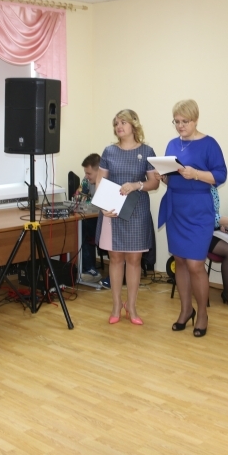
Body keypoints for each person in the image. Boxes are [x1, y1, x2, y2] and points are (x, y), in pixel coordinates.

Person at [156, 99, 227, 337]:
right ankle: (186, 310)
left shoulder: (209, 144)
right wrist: (164, 177)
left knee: (196, 264)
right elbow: (170, 176)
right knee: (180, 261)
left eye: (184, 121)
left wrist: (195, 173)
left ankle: (203, 314)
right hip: (176, 207)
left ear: (195, 120)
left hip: (198, 209)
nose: (180, 126)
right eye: (176, 121)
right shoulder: (172, 144)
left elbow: (220, 176)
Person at [95, 109, 159, 325]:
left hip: (137, 211)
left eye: (123, 122)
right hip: (112, 212)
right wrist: (102, 206)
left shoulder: (147, 151)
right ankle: (116, 305)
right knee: (115, 259)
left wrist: (136, 185)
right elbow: (100, 181)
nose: (119, 127)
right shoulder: (109, 151)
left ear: (134, 125)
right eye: (116, 123)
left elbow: (154, 183)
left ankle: (131, 306)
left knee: (134, 260)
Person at [79, 153, 102, 281]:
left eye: (89, 173)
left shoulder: (108, 182)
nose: (86, 176)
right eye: (85, 173)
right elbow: (79, 197)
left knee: (82, 228)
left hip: (106, 222)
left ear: (99, 171)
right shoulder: (87, 180)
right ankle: (85, 268)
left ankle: (90, 269)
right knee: (78, 227)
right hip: (94, 218)